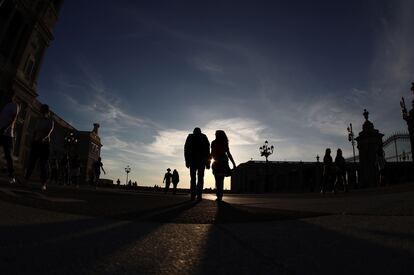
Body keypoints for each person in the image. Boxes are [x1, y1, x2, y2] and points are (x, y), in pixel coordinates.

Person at [25, 104, 54, 191]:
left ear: (46, 111)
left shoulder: (50, 121)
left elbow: (49, 132)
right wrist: (33, 140)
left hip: (44, 144)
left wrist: (43, 138)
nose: (41, 112)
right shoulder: (39, 120)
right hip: (36, 143)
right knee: (31, 162)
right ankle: (26, 180)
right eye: (41, 111)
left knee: (43, 164)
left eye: (42, 111)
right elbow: (35, 131)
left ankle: (43, 184)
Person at [184, 127, 210, 201]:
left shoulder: (191, 137)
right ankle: (198, 195)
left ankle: (194, 195)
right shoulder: (203, 137)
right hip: (199, 161)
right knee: (199, 178)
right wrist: (208, 163)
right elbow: (207, 150)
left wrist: (187, 161)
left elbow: (186, 149)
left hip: (194, 161)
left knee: (194, 178)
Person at [211, 130, 236, 201]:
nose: (215, 135)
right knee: (221, 179)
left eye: (216, 134)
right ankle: (220, 195)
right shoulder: (224, 142)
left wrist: (209, 162)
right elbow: (228, 154)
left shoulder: (214, 142)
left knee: (217, 179)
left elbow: (212, 153)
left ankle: (219, 195)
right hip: (223, 162)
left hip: (217, 162)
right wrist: (233, 163)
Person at [0, 91, 19, 184]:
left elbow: (14, 118)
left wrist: (5, 128)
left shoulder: (15, 105)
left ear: (13, 96)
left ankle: (12, 176)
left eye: (10, 95)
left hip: (7, 134)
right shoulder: (5, 106)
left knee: (8, 156)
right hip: (1, 131)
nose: (8, 96)